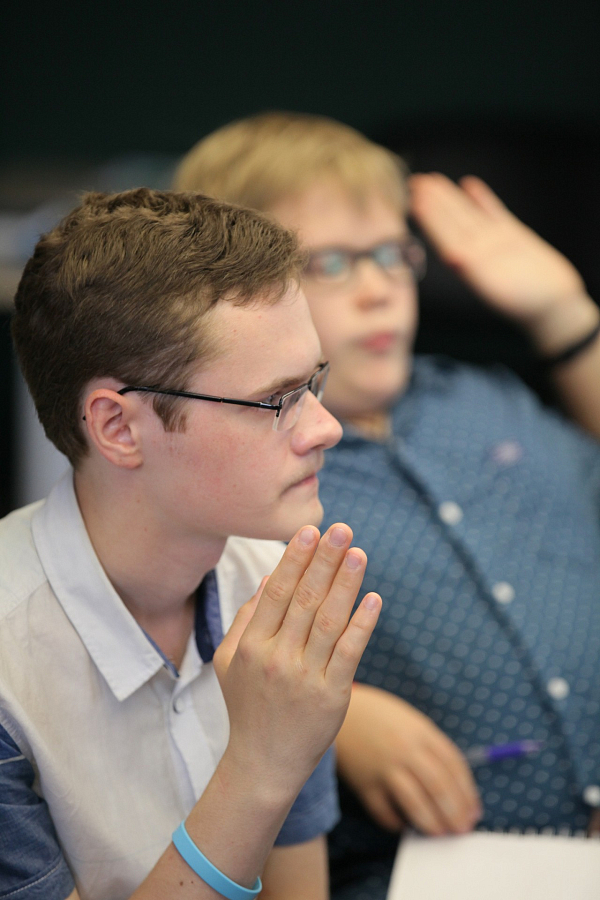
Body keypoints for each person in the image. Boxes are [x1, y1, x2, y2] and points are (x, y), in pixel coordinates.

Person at [174, 112, 600, 898]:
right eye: (332, 262)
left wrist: (566, 317)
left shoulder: (487, 397)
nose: (380, 290)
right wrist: (341, 718)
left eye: (393, 253)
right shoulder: (240, 466)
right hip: (419, 870)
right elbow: (176, 639)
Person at [0, 187, 383, 900]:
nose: (326, 428)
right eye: (278, 400)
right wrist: (260, 768)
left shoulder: (277, 585)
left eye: (315, 383)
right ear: (118, 428)